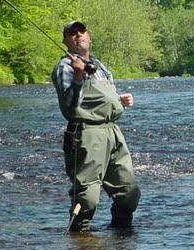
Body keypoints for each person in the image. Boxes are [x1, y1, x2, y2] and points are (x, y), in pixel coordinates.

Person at [51, 20, 140, 232]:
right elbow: (70, 105)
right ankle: (78, 246)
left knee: (129, 193)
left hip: (113, 132)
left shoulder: (100, 66)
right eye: (72, 33)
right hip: (86, 134)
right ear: (65, 41)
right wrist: (79, 74)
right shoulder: (64, 67)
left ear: (89, 37)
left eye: (82, 31)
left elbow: (106, 98)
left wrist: (121, 100)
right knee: (87, 199)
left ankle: (120, 243)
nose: (78, 35)